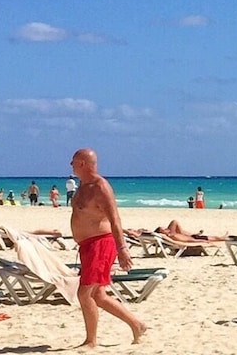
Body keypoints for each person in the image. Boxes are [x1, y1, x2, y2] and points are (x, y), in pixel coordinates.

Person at [68, 148, 148, 348]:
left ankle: (91, 341)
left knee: (84, 293)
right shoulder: (82, 186)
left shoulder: (100, 187)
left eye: (74, 161)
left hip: (101, 244)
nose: (70, 165)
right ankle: (137, 325)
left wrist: (122, 249)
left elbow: (115, 219)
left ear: (83, 164)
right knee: (98, 295)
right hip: (87, 245)